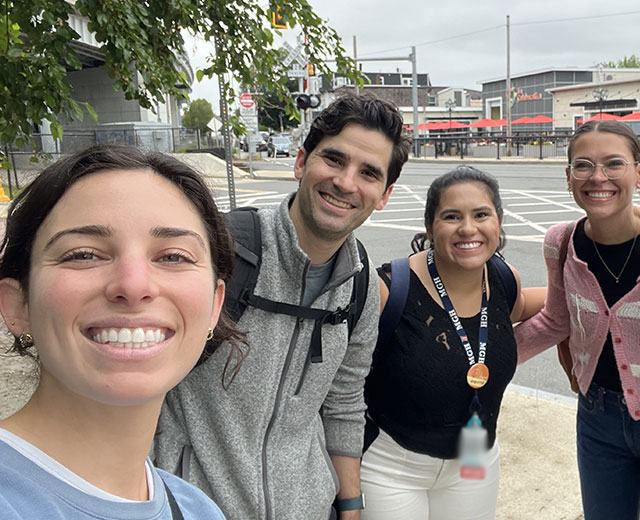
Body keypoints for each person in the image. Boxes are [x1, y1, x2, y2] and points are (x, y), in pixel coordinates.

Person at [154, 93, 411, 519]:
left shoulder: (361, 284)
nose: (346, 183)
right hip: (192, 507)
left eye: (368, 173)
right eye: (334, 159)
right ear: (301, 162)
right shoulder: (221, 250)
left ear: (383, 195)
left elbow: (344, 403)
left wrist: (350, 507)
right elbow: (143, 377)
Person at [0, 145, 235, 518]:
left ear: (214, 305)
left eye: (173, 256)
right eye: (84, 255)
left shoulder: (199, 511)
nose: (134, 285)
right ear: (18, 305)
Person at [514, 121, 640, 520]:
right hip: (597, 418)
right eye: (583, 165)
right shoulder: (560, 241)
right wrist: (482, 361)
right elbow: (556, 320)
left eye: (614, 163)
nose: (598, 177)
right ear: (568, 176)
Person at [361, 166, 539, 519]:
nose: (468, 228)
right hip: (392, 469)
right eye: (452, 216)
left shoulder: (504, 279)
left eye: (481, 215)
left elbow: (526, 306)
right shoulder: (388, 290)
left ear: (499, 222)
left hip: (475, 458)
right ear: (430, 228)